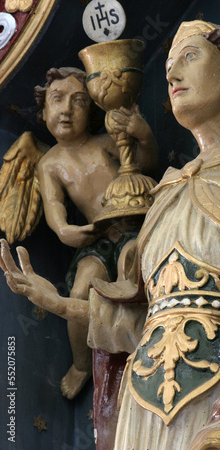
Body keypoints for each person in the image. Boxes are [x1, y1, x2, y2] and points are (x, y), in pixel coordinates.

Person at [2, 21, 220, 449]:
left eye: (189, 58)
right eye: (169, 65)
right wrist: (54, 301)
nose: (173, 74)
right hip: (142, 414)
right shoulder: (165, 194)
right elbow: (141, 323)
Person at [33, 66, 158, 400]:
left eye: (78, 101)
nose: (66, 109)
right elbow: (55, 207)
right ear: (43, 110)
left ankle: (148, 344)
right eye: (56, 100)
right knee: (79, 290)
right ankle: (81, 364)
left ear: (91, 111)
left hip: (133, 228)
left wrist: (142, 135)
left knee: (131, 275)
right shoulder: (49, 164)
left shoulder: (105, 143)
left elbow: (145, 165)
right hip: (96, 239)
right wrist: (67, 231)